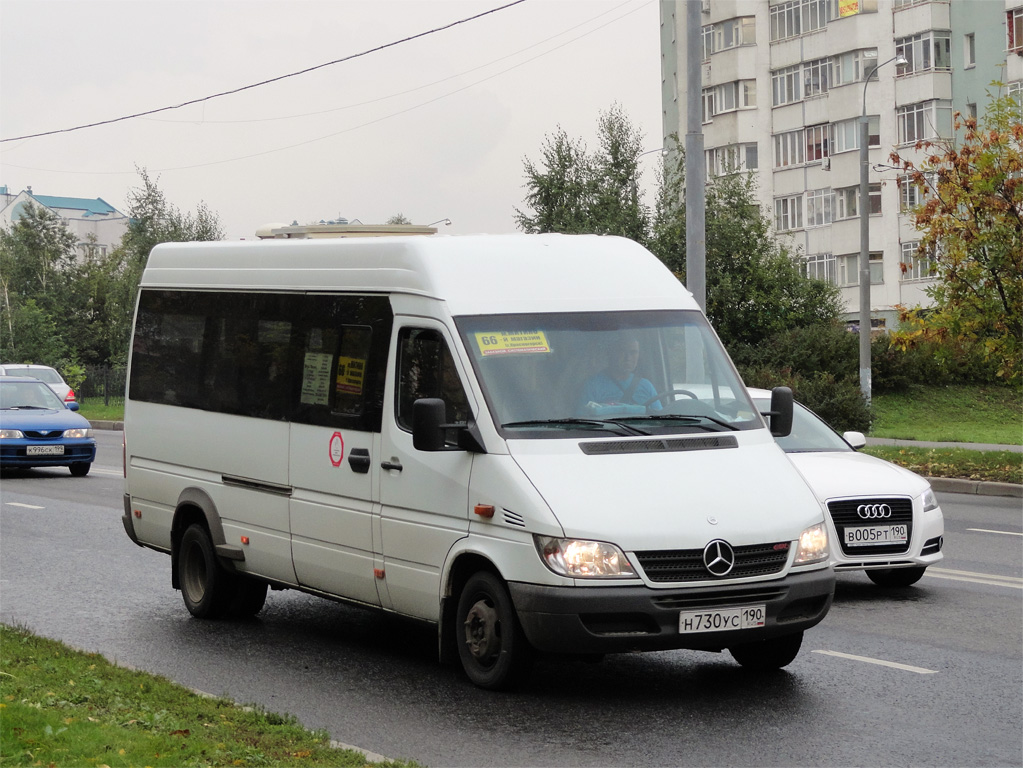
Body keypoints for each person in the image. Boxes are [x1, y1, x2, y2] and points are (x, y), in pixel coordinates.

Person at [578, 335, 662, 414]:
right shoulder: (593, 385)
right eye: (622, 352)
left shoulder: (646, 386)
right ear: (612, 354)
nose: (628, 358)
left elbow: (660, 418)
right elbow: (583, 420)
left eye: (633, 353)